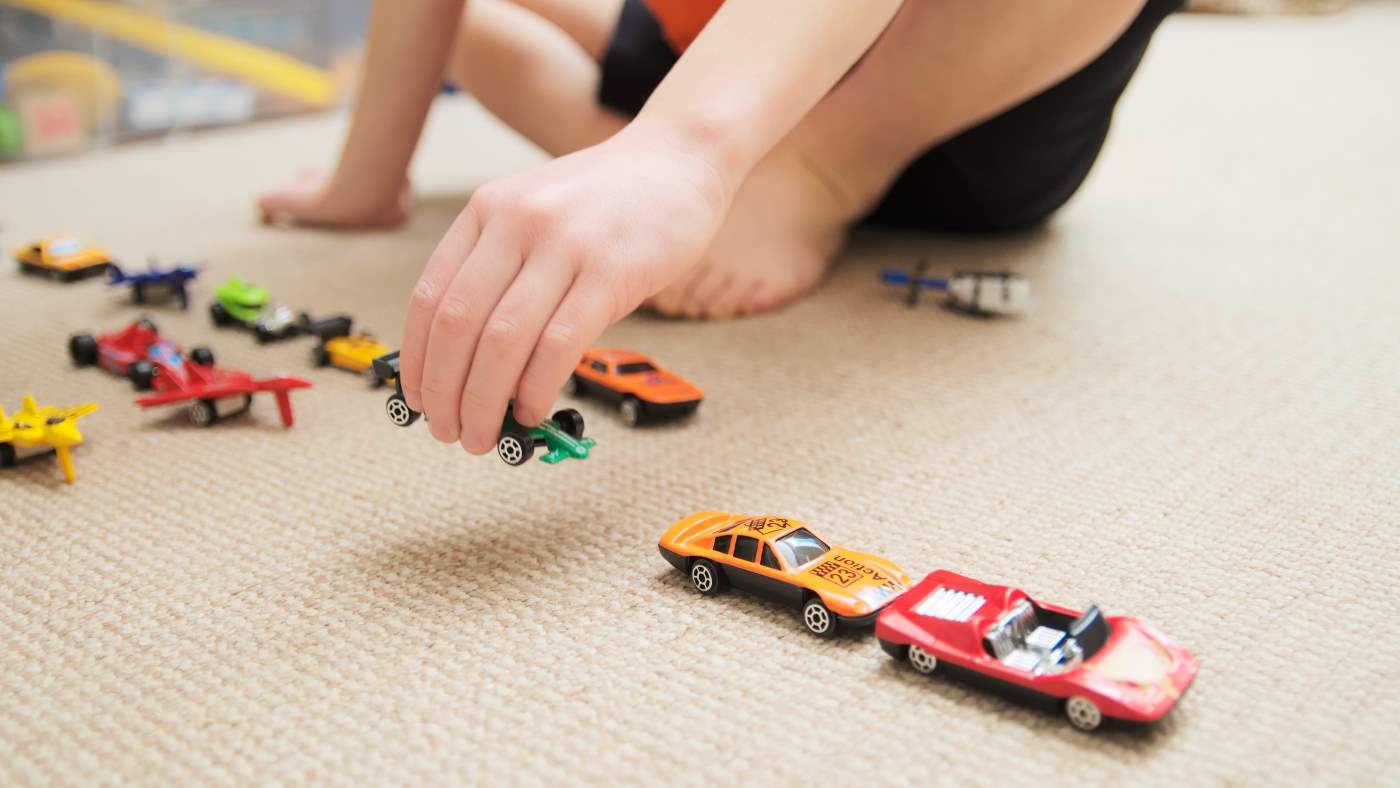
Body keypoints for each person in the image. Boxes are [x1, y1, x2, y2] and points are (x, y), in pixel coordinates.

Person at [259, 0, 1181, 455]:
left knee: (680, 143)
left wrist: (685, 147)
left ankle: (810, 171)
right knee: (476, 24)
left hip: (966, 88)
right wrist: (365, 178)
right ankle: (688, 172)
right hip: (704, 53)